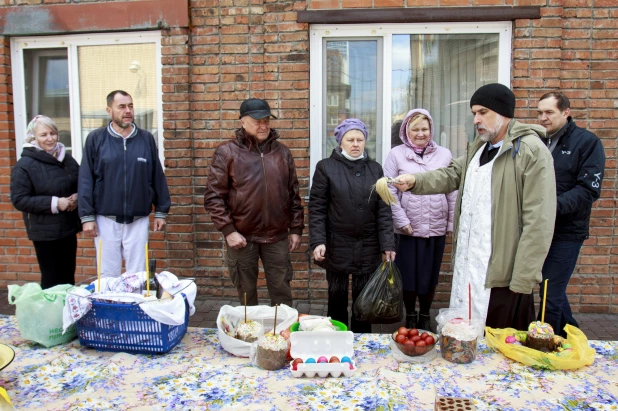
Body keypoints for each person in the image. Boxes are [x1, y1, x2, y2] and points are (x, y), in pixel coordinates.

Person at [393, 83, 557, 330]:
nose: (476, 120)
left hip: (503, 273)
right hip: (470, 265)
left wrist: (523, 278)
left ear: (503, 113)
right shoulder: (479, 148)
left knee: (499, 342)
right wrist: (416, 181)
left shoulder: (530, 151)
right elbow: (450, 175)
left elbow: (539, 222)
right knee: (467, 334)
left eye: (482, 112)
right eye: (474, 114)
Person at [204, 98, 304, 307]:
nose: (263, 125)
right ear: (242, 122)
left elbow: (293, 194)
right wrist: (228, 230)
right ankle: (249, 338)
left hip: (277, 236)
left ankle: (283, 336)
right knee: (247, 297)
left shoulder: (282, 152)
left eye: (266, 120)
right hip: (242, 236)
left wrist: (296, 227)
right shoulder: (227, 152)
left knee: (282, 295)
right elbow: (214, 196)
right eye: (257, 120)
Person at [309, 118, 396, 333]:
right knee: (336, 300)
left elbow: (384, 210)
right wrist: (318, 241)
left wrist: (388, 244)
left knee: (364, 302)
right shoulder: (325, 167)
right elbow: (317, 208)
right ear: (340, 142)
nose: (355, 144)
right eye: (350, 139)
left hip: (368, 245)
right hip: (337, 243)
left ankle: (361, 341)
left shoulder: (375, 169)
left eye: (360, 139)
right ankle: (336, 341)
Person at [78, 90, 170, 277]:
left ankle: (134, 306)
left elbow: (157, 176)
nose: (128, 111)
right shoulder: (96, 139)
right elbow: (86, 178)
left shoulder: (146, 139)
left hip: (138, 218)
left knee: (137, 276)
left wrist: (161, 211)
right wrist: (87, 216)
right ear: (109, 110)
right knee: (107, 275)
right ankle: (109, 305)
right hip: (105, 219)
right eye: (121, 106)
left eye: (130, 106)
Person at [537, 91, 605, 336]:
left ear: (566, 112)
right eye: (540, 113)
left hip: (567, 231)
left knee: (549, 293)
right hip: (539, 228)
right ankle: (571, 334)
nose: (543, 118)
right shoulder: (540, 141)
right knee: (550, 288)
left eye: (549, 113)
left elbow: (588, 189)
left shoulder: (587, 142)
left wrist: (550, 208)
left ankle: (544, 347)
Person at [383, 109, 456, 331]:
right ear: (407, 130)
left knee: (430, 276)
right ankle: (411, 315)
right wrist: (401, 220)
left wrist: (452, 222)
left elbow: (452, 189)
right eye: (415, 129)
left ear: (431, 130)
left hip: (436, 227)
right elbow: (389, 191)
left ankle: (425, 314)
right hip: (407, 229)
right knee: (408, 277)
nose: (421, 133)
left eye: (425, 129)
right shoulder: (396, 154)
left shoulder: (444, 155)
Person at [10, 115, 81, 288]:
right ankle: (51, 314)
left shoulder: (67, 159)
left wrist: (78, 196)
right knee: (51, 278)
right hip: (45, 233)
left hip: (68, 228)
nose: (50, 138)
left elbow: (81, 183)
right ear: (33, 137)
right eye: (43, 135)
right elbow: (20, 199)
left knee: (68, 276)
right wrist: (56, 203)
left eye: (53, 133)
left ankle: (65, 313)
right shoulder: (25, 165)